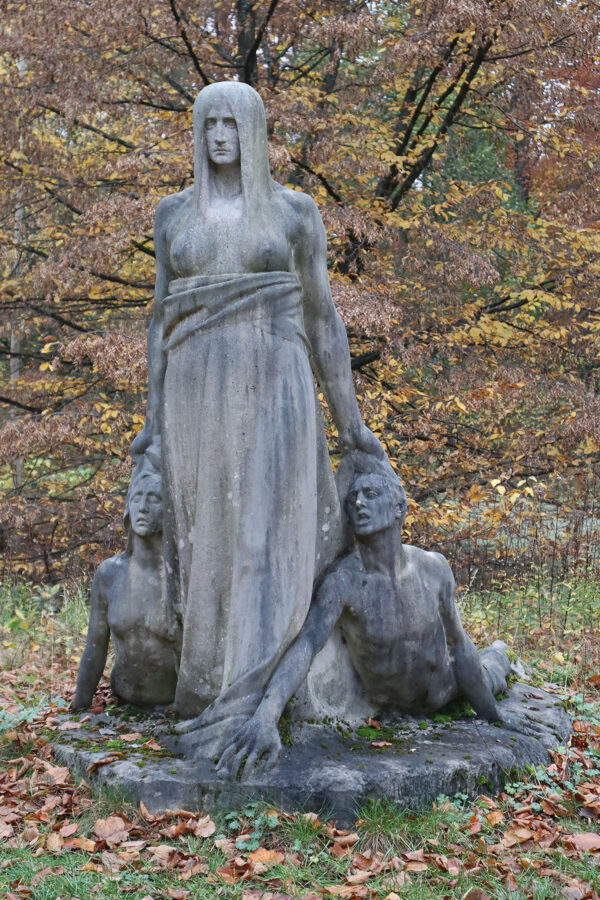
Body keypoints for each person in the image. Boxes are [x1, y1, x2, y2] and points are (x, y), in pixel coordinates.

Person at [130, 81, 384, 748]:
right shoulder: (173, 216)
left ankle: (263, 696)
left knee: (264, 541)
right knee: (206, 541)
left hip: (276, 387)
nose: (220, 136)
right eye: (208, 122)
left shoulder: (293, 213)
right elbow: (159, 322)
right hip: (192, 395)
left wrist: (351, 423)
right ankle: (213, 684)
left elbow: (325, 320)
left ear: (255, 132)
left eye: (232, 123)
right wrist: (151, 425)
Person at [217, 465, 543, 778]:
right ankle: (498, 653)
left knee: (493, 669)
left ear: (399, 506)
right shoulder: (344, 582)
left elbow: (458, 646)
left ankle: (501, 651)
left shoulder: (433, 568)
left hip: (451, 687)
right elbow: (307, 643)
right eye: (353, 497)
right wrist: (267, 714)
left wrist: (495, 717)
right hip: (395, 705)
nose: (359, 502)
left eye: (371, 493)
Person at [72, 455, 179, 709]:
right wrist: (79, 705)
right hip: (124, 701)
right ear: (128, 506)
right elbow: (94, 648)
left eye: (154, 498)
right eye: (137, 497)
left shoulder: (181, 578)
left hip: (171, 707)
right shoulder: (109, 573)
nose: (142, 507)